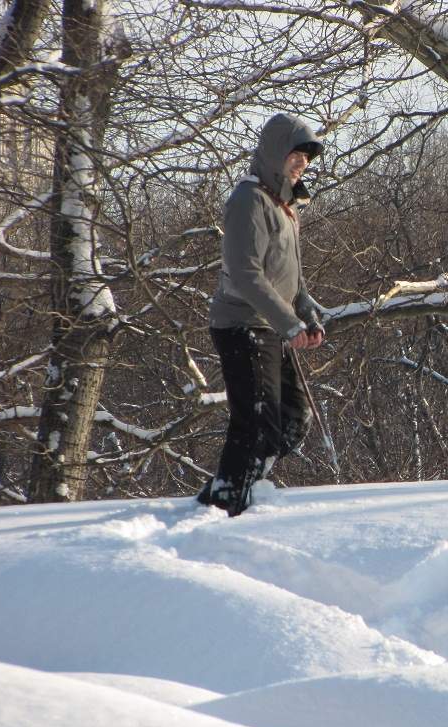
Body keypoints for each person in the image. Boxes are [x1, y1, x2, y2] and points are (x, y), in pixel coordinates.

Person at [197, 113, 326, 517]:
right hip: (242, 324)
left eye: (306, 156)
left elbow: (293, 280)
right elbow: (245, 272)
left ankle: (236, 489)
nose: (301, 162)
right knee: (254, 423)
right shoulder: (248, 200)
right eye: (295, 153)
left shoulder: (285, 208)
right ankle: (226, 507)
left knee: (292, 419)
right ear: (275, 152)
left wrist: (306, 315)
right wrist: (288, 324)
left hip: (271, 326)